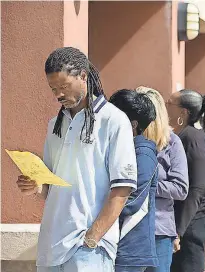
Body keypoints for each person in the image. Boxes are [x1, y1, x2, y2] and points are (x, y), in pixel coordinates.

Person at [16, 47, 137, 271]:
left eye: (63, 86)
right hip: (51, 247)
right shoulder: (55, 125)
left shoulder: (113, 120)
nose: (58, 95)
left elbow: (122, 188)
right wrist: (35, 185)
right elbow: (51, 185)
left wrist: (92, 238)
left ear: (83, 76)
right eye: (53, 89)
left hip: (89, 249)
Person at [136, 86, 189, 272]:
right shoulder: (127, 139)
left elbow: (180, 188)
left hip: (159, 230)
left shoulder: (172, 142)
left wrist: (146, 185)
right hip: (128, 227)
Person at [109, 89, 159, 272]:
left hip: (130, 251)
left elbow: (131, 202)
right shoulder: (122, 150)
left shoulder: (143, 154)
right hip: (117, 247)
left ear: (132, 124)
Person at [166, 89, 205, 272]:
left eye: (170, 103)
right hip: (183, 220)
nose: (166, 106)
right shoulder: (182, 136)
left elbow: (199, 188)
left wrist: (179, 230)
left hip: (192, 222)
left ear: (183, 112)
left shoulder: (193, 138)